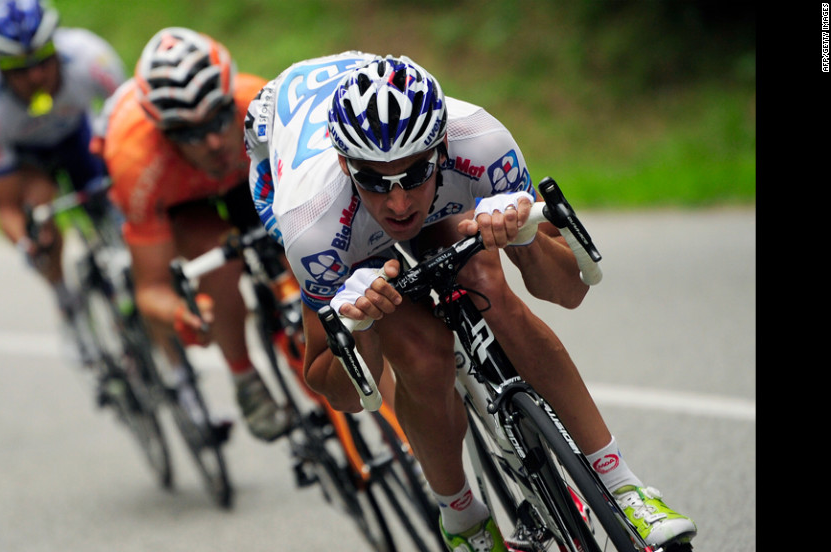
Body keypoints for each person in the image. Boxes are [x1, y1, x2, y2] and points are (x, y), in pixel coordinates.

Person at [244, 51, 698, 551]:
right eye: (375, 180)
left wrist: (523, 236)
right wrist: (360, 323)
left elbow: (568, 290)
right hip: (308, 190)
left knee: (491, 291)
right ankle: (461, 517)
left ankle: (623, 485)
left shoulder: (481, 142)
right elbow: (345, 394)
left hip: (415, 179)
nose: (398, 203)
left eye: (414, 174)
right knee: (420, 355)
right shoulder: (310, 221)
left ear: (440, 148)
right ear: (344, 163)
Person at [90, 27, 291, 442]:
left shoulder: (262, 105)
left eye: (219, 118)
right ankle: (244, 377)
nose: (214, 141)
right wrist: (181, 312)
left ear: (230, 97)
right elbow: (151, 289)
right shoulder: (135, 161)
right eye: (189, 132)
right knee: (213, 249)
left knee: (293, 242)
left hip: (243, 177)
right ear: (163, 131)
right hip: (179, 197)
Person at [0, 0, 126, 364]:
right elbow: (5, 207)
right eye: (19, 69)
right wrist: (27, 243)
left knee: (121, 200)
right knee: (39, 213)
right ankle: (65, 299)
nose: (36, 76)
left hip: (79, 138)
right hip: (29, 160)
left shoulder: (90, 57)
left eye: (43, 60)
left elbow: (132, 131)